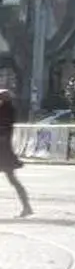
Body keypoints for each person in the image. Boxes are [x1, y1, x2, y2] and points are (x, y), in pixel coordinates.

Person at [0, 87, 28, 217]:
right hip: (5, 151)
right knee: (13, 180)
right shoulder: (8, 110)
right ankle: (27, 207)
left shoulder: (6, 111)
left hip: (3, 152)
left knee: (13, 180)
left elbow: (3, 132)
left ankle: (27, 207)